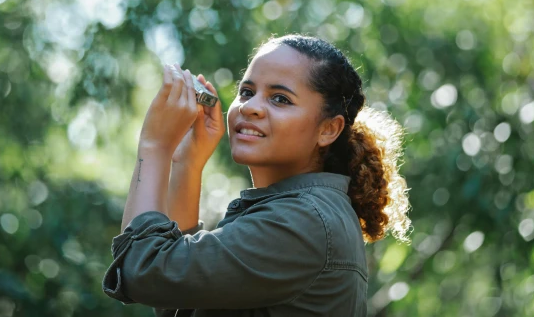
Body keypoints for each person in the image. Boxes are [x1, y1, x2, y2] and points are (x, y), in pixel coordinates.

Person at [102, 34, 412, 316]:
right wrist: (187, 161)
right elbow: (174, 297)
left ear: (328, 129)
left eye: (280, 99)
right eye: (247, 91)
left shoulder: (302, 221)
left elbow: (141, 271)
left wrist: (155, 146)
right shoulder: (294, 213)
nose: (251, 107)